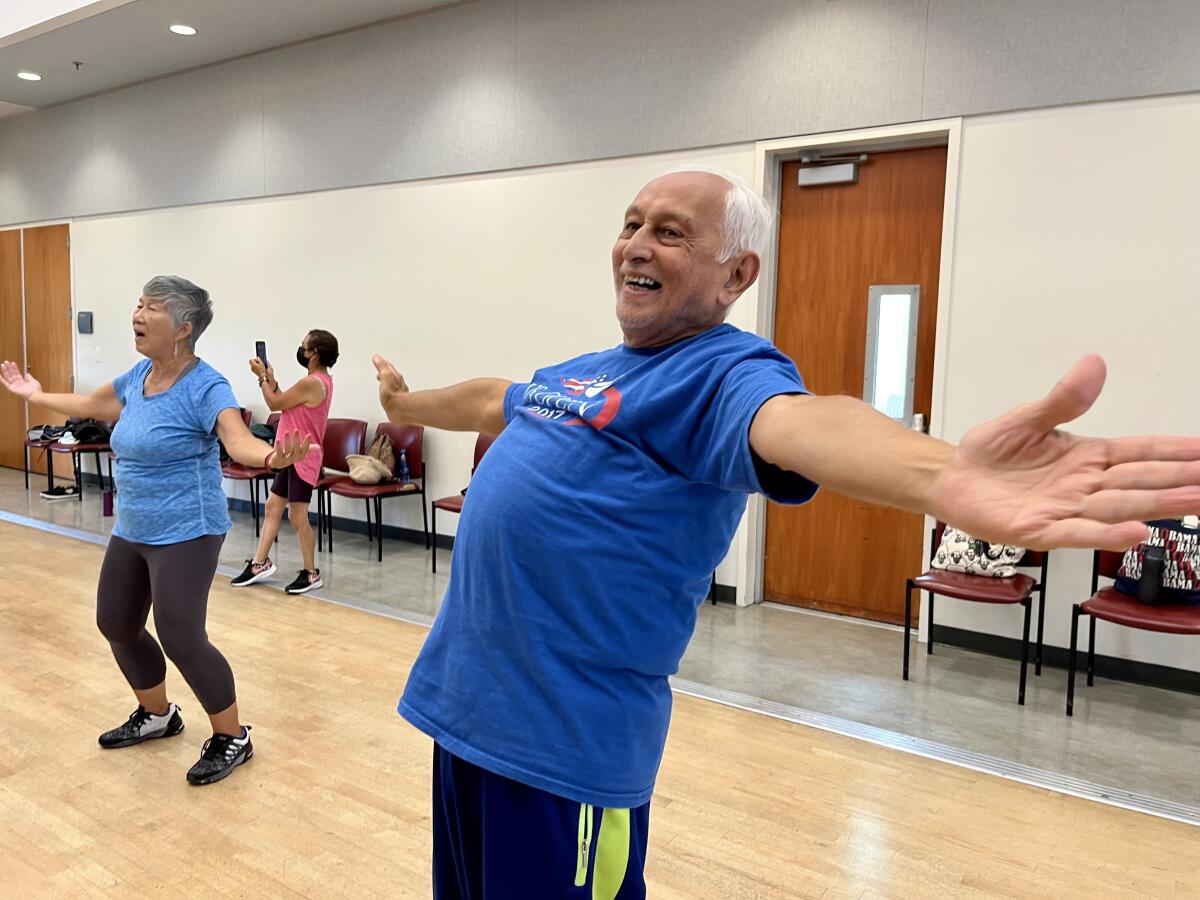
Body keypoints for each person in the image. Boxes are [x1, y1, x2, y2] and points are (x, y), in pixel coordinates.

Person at [370, 165, 1200, 897]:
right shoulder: (580, 373)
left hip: (565, 752)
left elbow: (801, 424)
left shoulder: (724, 373)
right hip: (469, 721)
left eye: (670, 233)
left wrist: (942, 473)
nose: (636, 245)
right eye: (630, 224)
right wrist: (406, 407)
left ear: (736, 273)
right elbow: (493, 397)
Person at [0, 275, 315, 786]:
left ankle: (232, 735)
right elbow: (92, 405)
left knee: (180, 635)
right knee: (116, 623)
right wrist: (37, 394)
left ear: (183, 327)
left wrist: (273, 456)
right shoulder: (138, 377)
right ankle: (158, 714)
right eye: (138, 305)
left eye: (151, 308)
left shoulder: (206, 385)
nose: (138, 315)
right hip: (134, 526)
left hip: (188, 529)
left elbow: (237, 442)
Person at [231, 329, 338, 594]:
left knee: (297, 515)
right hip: (289, 454)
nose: (300, 350)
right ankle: (259, 563)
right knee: (272, 506)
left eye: (304, 347)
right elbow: (285, 403)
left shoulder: (314, 382)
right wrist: (271, 378)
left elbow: (273, 402)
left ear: (314, 353)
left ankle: (311, 573)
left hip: (303, 455)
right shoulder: (313, 381)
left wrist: (262, 378)